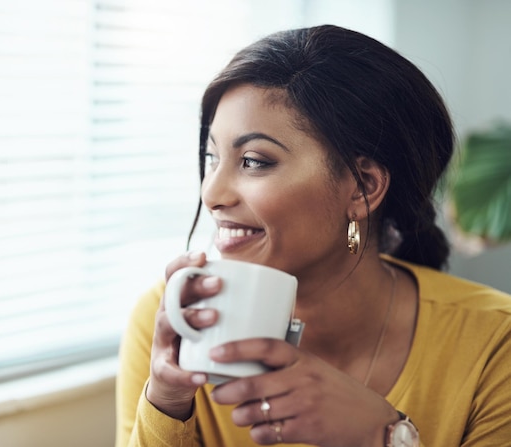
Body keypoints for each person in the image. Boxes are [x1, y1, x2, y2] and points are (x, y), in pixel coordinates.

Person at [115, 24, 511, 446]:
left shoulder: (494, 344)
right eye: (212, 157)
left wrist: (386, 435)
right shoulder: (173, 321)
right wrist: (167, 401)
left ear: (363, 186)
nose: (210, 193)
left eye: (253, 161)